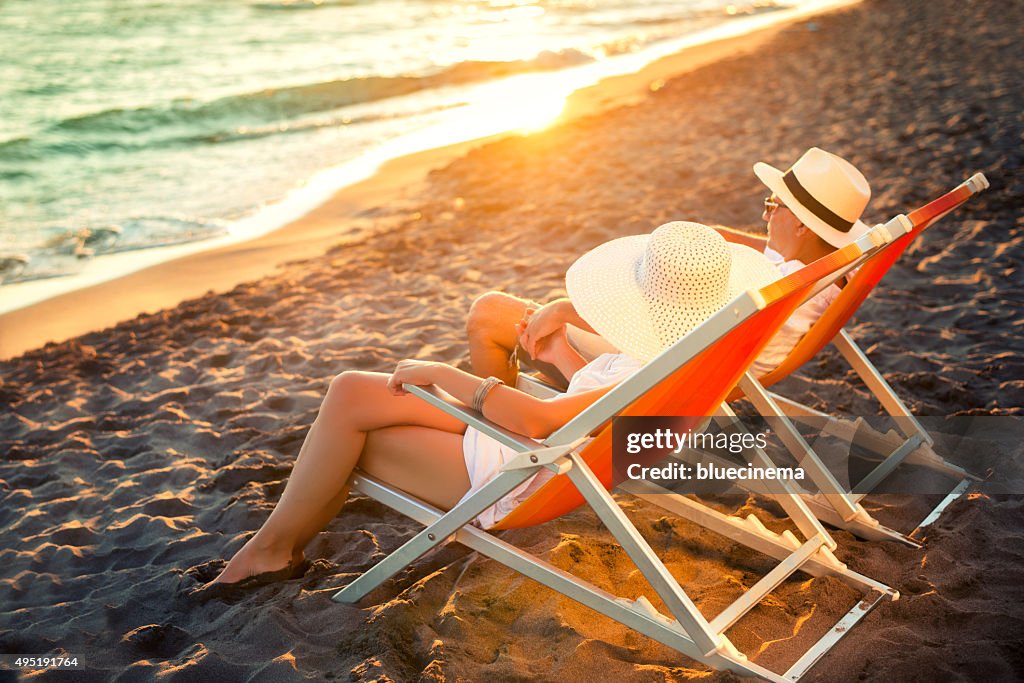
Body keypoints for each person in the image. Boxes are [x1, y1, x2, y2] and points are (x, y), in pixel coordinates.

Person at [204, 222, 779, 589]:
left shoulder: (659, 361)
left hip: (521, 470)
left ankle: (272, 551)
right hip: (543, 449)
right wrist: (555, 347)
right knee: (354, 394)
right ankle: (274, 548)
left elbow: (540, 420)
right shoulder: (687, 351)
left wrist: (447, 376)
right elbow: (598, 400)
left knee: (353, 423)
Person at [467, 147, 873, 388]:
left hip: (675, 367)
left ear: (801, 224)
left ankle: (493, 430)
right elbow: (771, 254)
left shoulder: (774, 286)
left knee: (491, 313)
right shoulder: (825, 274)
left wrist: (563, 309)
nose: (766, 217)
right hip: (730, 367)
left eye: (773, 206)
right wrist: (720, 235)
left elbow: (672, 325)